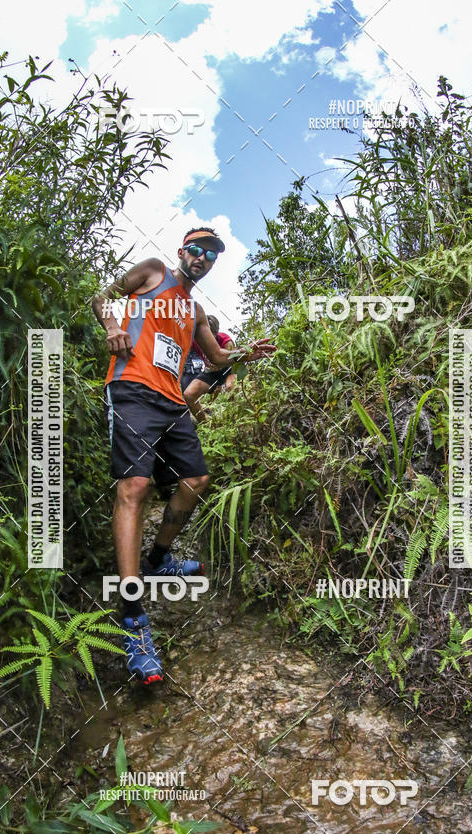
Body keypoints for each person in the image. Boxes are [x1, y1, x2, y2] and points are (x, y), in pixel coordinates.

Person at [91, 227, 275, 684]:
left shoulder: (194, 312)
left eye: (210, 254)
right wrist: (113, 325)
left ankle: (158, 559)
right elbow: (104, 297)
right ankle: (133, 619)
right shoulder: (154, 272)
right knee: (135, 486)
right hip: (132, 389)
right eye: (196, 249)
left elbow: (215, 358)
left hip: (172, 401)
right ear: (181, 252)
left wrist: (247, 354)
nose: (203, 257)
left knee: (195, 481)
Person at [183, 315, 237, 423]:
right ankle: (206, 424)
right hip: (211, 372)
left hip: (229, 369)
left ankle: (233, 420)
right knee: (189, 395)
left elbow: (235, 360)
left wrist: (220, 365)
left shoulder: (225, 340)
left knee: (231, 388)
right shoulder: (194, 341)